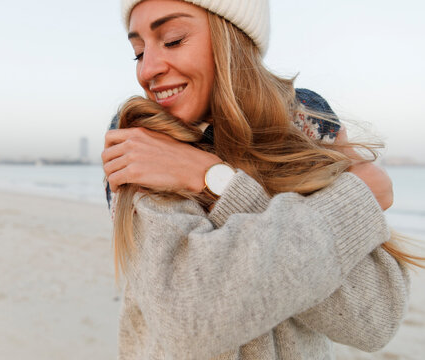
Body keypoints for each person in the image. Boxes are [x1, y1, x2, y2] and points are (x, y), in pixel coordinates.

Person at [101, 1, 419, 359]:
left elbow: (375, 319)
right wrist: (350, 202)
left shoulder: (306, 125)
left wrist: (213, 181)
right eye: (138, 52)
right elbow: (193, 319)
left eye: (172, 40)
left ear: (233, 36)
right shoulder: (143, 140)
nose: (148, 69)